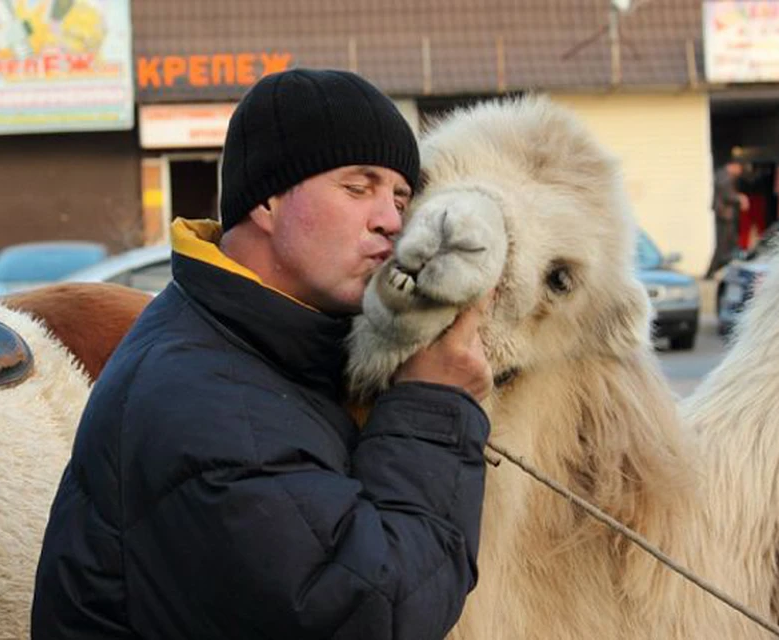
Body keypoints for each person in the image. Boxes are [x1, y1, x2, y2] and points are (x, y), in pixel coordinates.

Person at [32, 69, 494, 639]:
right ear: (268, 201)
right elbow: (370, 611)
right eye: (358, 187)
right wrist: (433, 405)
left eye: (401, 196)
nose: (392, 221)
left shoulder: (254, 344)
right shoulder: (207, 405)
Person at [706, 159, 748, 278]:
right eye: (739, 169)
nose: (739, 172)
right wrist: (740, 198)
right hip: (724, 215)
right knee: (723, 245)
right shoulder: (723, 176)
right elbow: (726, 194)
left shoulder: (724, 175)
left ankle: (721, 271)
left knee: (729, 244)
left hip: (726, 215)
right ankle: (711, 272)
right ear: (733, 166)